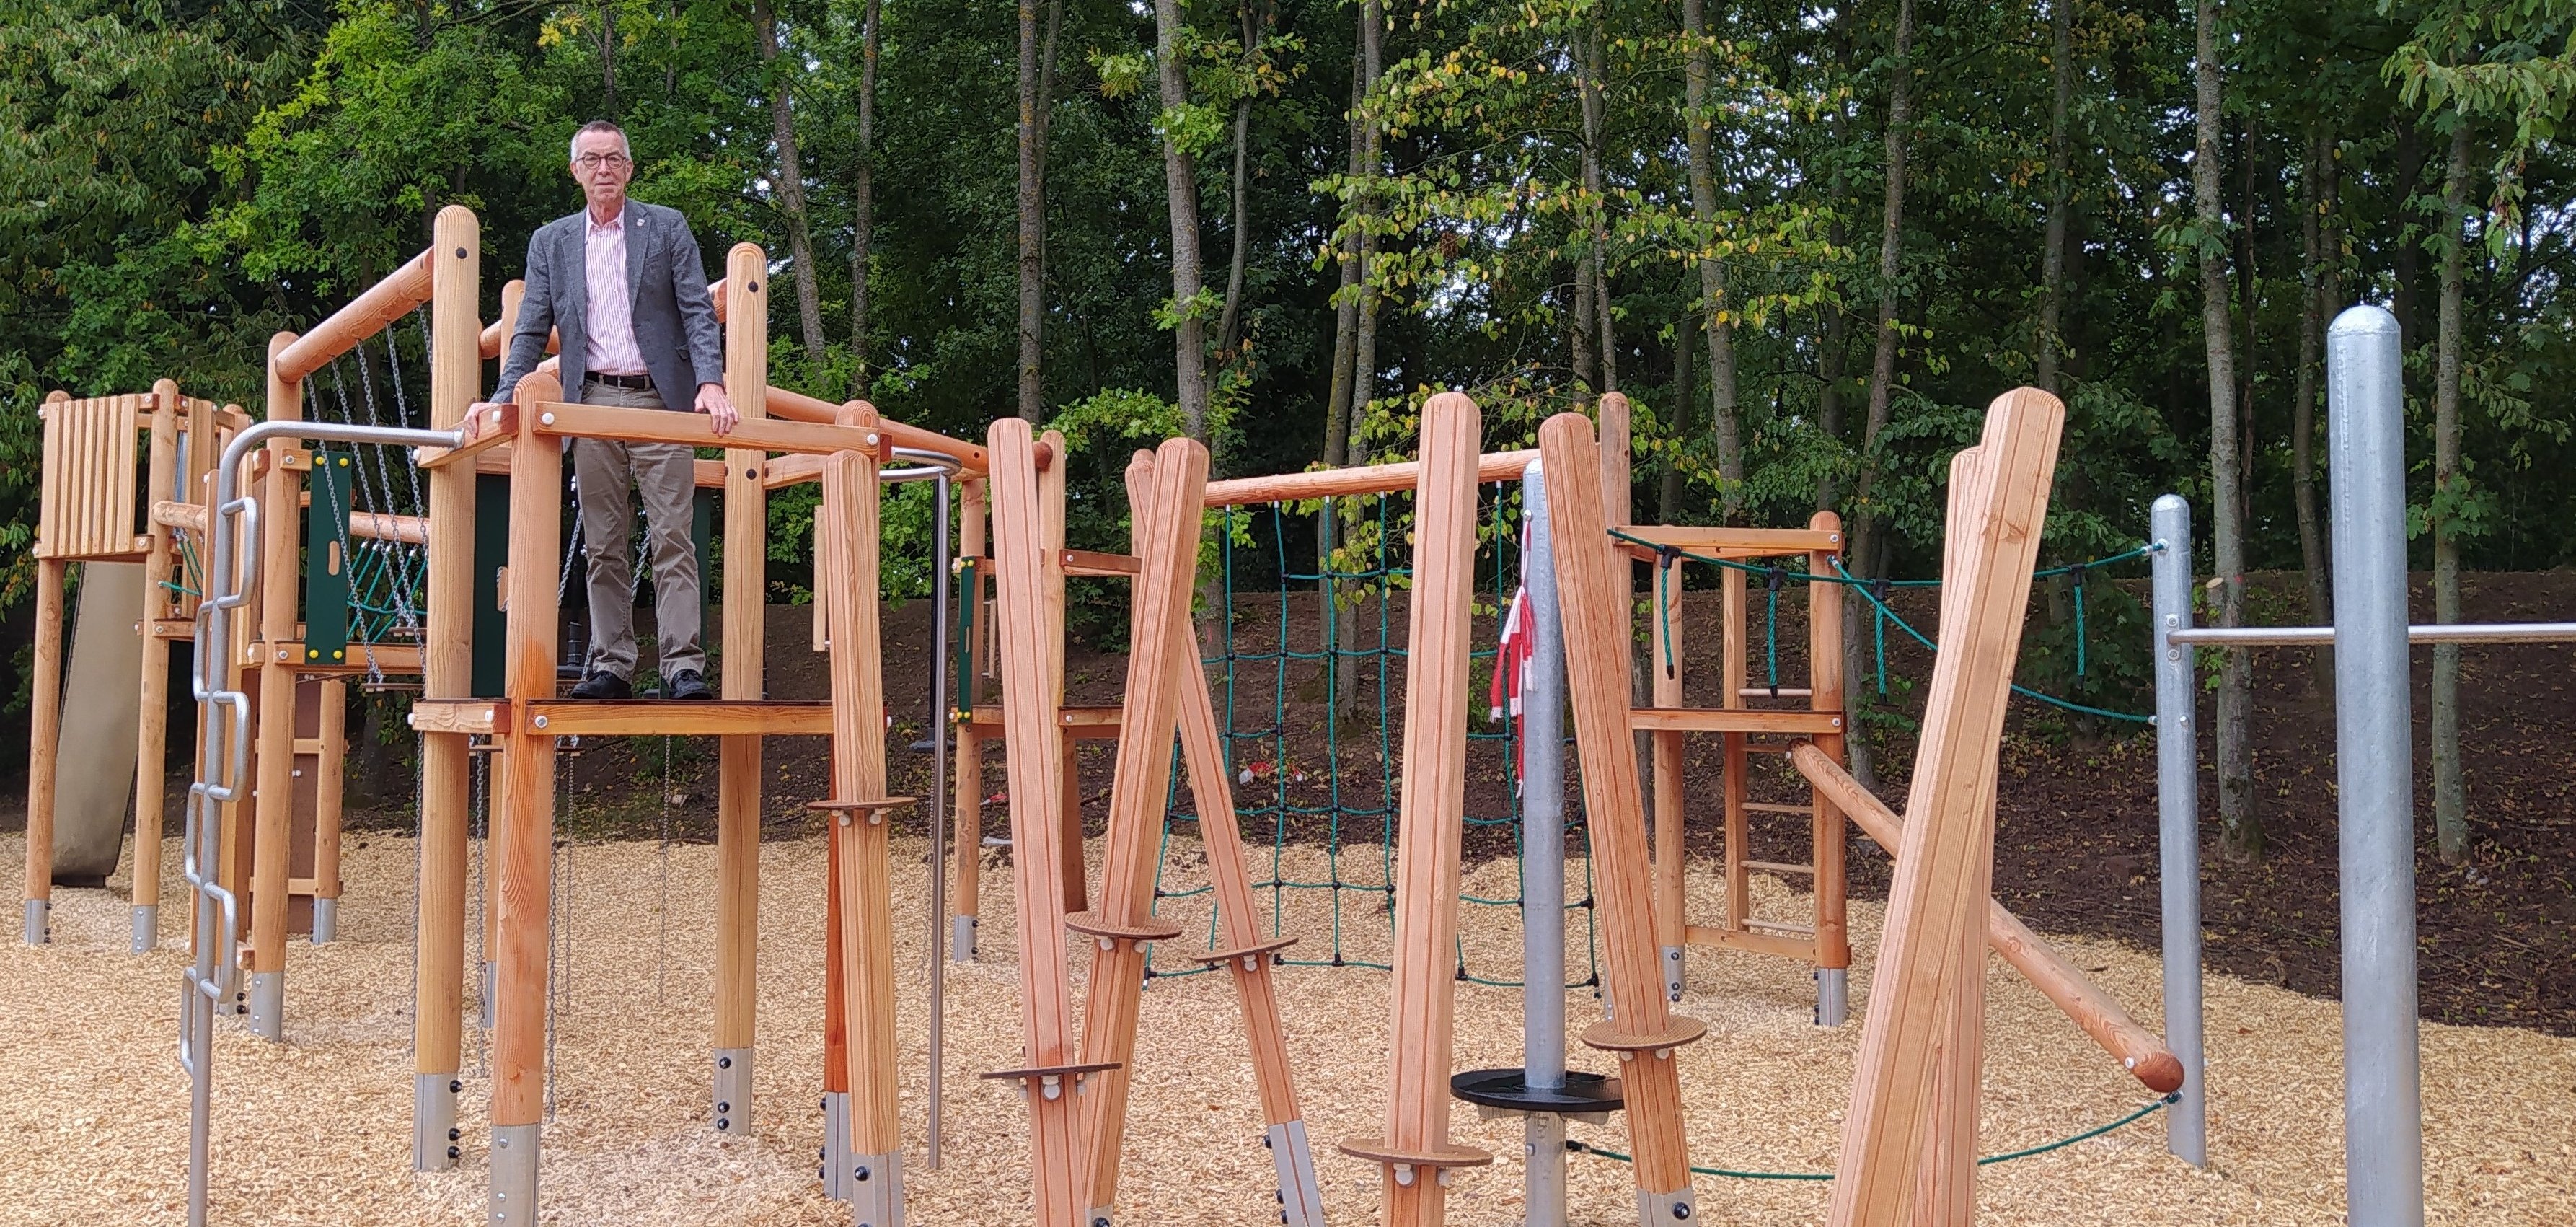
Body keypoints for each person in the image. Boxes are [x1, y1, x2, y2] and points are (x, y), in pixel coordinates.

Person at [480, 119, 737, 700]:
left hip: (659, 398)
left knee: (674, 535)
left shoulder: (666, 227)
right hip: (588, 399)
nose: (604, 169)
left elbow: (697, 311)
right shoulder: (553, 241)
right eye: (592, 159)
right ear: (575, 171)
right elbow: (530, 329)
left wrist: (711, 383)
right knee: (603, 540)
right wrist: (502, 399)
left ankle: (682, 666)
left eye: (615, 159)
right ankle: (613, 664)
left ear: (630, 168)